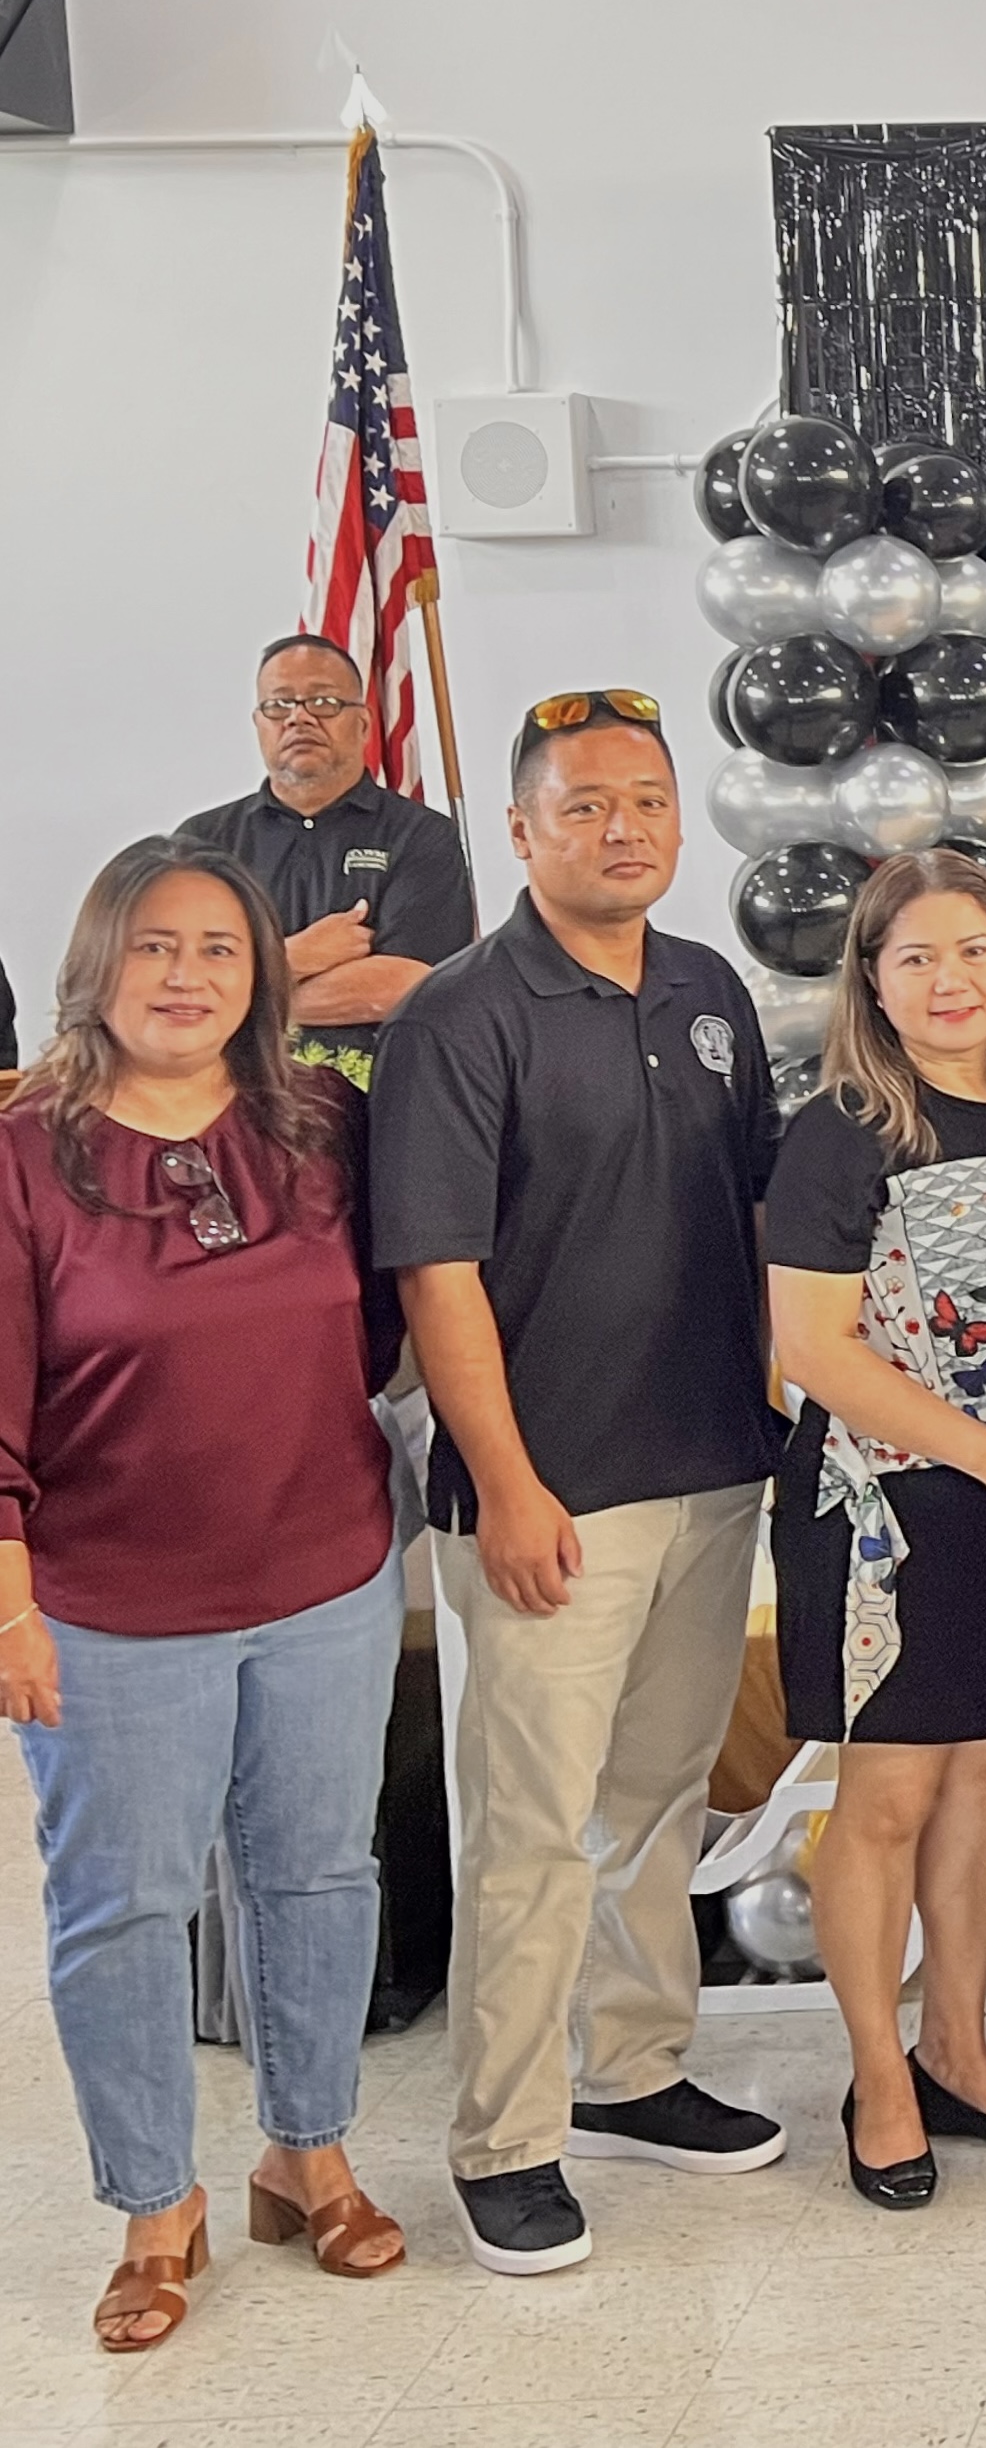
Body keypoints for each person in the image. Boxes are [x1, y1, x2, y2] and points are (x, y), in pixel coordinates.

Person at [371, 690, 786, 2275]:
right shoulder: (461, 1013)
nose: (623, 828)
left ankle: (631, 2069)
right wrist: (507, 1480)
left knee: (658, 1793)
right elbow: (435, 1272)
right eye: (586, 805)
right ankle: (505, 2137)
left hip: (705, 1464)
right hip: (550, 1493)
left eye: (647, 802)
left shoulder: (705, 991)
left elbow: (754, 1216)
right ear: (524, 831)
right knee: (533, 1824)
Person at [3, 841, 409, 2350]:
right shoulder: (19, 1157)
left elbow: (380, 1321)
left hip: (325, 1574)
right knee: (127, 1909)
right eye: (156, 947)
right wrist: (8, 1609)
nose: (186, 976)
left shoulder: (320, 1125)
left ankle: (307, 2157)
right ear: (100, 961)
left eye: (220, 951)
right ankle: (152, 2204)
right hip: (109, 1605)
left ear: (263, 977)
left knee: (317, 1876)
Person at [767, 850, 986, 2208]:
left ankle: (961, 2051)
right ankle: (875, 2078)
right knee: (888, 1798)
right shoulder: (844, 1129)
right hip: (895, 1509)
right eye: (913, 957)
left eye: (971, 951)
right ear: (871, 979)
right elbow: (815, 1346)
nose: (947, 981)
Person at [178, 634, 478, 1086]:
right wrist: (294, 957)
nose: (299, 718)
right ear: (258, 725)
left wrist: (234, 990)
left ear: (362, 725)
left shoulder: (421, 837)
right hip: (226, 1097)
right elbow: (176, 977)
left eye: (322, 702)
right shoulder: (203, 842)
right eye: (279, 705)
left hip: (379, 1100)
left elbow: (400, 985)